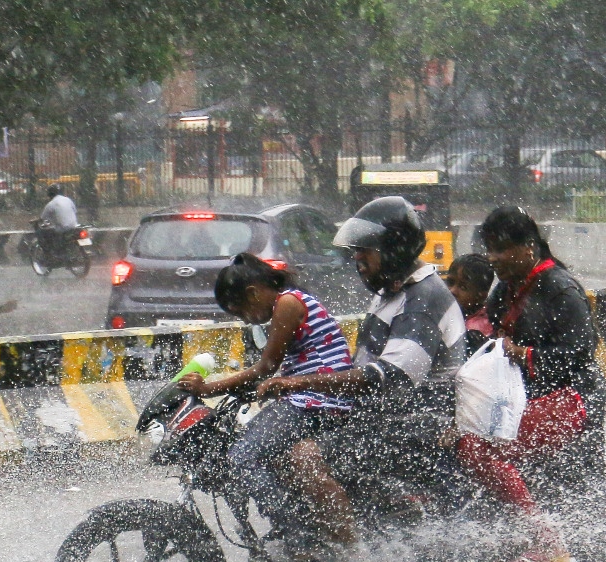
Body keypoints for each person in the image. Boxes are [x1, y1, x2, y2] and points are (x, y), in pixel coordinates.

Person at [284, 196, 466, 547]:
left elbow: (387, 376)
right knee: (287, 443)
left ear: (394, 249)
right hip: (381, 421)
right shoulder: (393, 291)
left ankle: (349, 550)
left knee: (304, 456)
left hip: (414, 427)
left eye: (366, 250)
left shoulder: (421, 300)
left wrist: (300, 382)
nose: (357, 258)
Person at [457, 206, 606, 562]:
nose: (493, 258)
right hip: (527, 402)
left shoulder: (560, 288)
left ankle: (544, 537)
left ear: (529, 246)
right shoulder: (503, 292)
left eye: (501, 249)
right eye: (489, 249)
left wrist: (524, 354)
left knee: (478, 447)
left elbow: (580, 352)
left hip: (574, 399)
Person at [175, 252, 354, 543]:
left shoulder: (287, 303)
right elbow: (272, 370)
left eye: (241, 311)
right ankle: (304, 524)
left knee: (241, 457)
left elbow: (266, 367)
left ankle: (297, 536)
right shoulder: (291, 302)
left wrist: (208, 389)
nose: (245, 320)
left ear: (253, 293)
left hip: (316, 402)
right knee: (265, 456)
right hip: (309, 398)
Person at [446, 253, 495, 355]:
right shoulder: (453, 313)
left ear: (481, 295)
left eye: (463, 287)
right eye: (450, 282)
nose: (452, 291)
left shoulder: (480, 331)